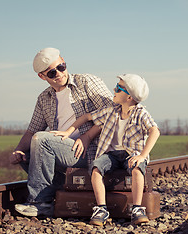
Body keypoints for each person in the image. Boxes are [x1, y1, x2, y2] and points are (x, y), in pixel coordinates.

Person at [9, 47, 113, 217]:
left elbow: (112, 113)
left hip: (88, 150)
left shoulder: (86, 82)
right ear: (42, 76)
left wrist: (87, 136)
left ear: (64, 61)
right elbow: (32, 130)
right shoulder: (44, 98)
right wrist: (18, 150)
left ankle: (40, 203)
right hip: (62, 150)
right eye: (51, 73)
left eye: (61, 67)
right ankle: (57, 190)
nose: (58, 74)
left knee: (42, 140)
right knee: (27, 152)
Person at [52, 73, 160, 225]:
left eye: (118, 88)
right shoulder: (111, 110)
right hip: (111, 155)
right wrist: (68, 131)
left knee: (137, 169)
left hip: (132, 154)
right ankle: (101, 208)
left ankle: (137, 208)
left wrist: (143, 156)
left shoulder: (141, 113)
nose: (114, 90)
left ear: (129, 97)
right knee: (96, 168)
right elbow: (86, 117)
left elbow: (155, 131)